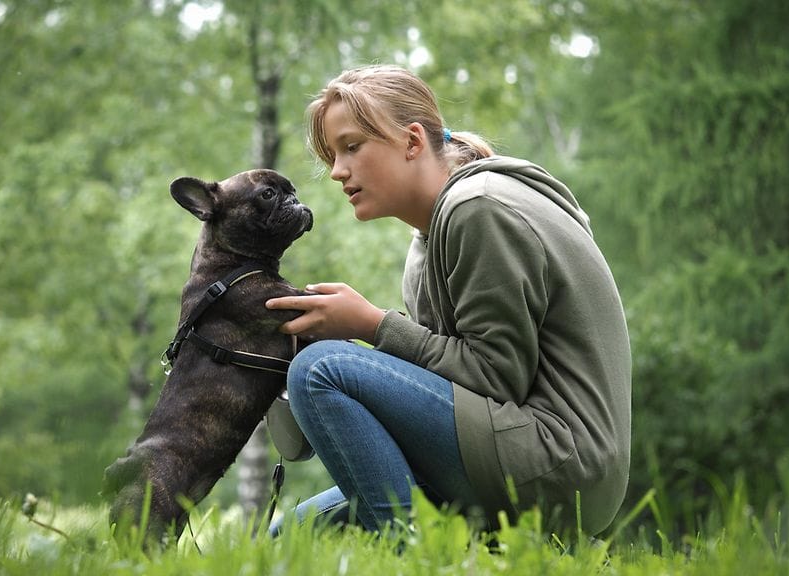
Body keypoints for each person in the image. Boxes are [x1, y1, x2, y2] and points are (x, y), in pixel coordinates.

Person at [265, 64, 631, 536]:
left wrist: (372, 326)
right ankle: (461, 549)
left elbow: (497, 378)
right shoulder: (428, 240)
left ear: (412, 141)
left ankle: (414, 558)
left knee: (320, 370)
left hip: (558, 464)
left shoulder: (480, 208)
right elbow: (447, 383)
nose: (337, 171)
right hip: (510, 449)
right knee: (287, 538)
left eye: (351, 146)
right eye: (332, 155)